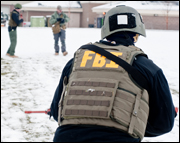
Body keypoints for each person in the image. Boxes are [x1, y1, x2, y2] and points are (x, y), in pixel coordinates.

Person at [48, 5, 177, 142]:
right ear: (136, 35)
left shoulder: (75, 62)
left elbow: (57, 113)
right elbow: (163, 125)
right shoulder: (149, 68)